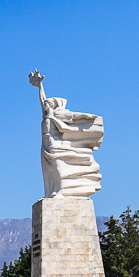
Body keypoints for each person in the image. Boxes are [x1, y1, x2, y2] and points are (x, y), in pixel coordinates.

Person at [29, 70, 104, 198]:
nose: (46, 105)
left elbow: (74, 116)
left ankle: (61, 190)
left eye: (49, 104)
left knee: (59, 167)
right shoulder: (46, 115)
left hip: (56, 145)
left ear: (55, 105)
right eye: (46, 104)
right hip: (45, 146)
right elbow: (42, 101)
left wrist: (87, 117)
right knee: (49, 170)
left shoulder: (59, 114)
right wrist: (40, 87)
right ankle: (53, 190)